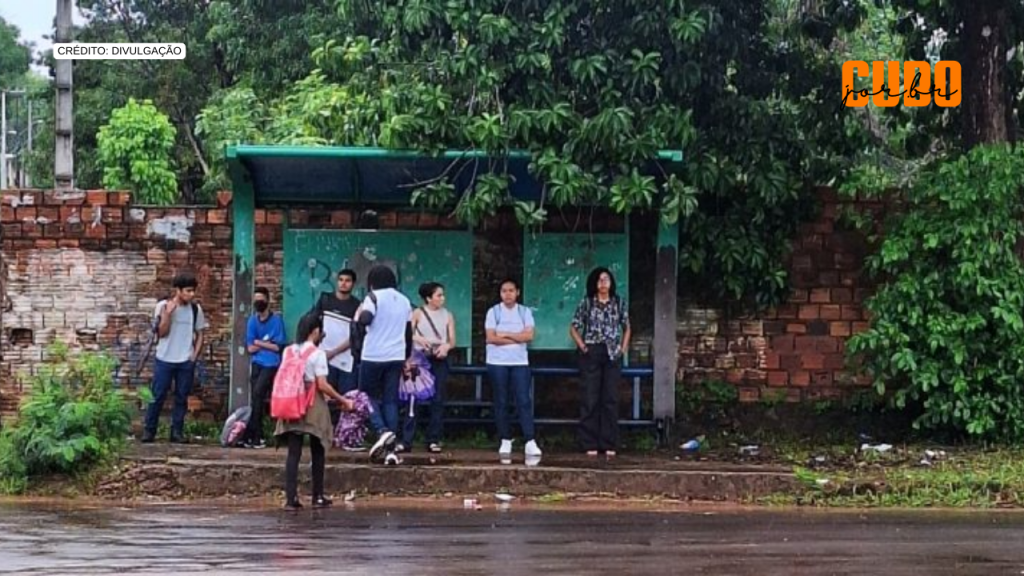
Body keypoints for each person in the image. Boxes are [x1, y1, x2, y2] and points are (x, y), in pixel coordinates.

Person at [275, 312, 355, 510]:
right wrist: (343, 400)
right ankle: (317, 496)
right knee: (318, 449)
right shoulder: (318, 354)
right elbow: (322, 385)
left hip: (291, 401)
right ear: (316, 331)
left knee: (293, 453)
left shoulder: (288, 351)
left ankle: (291, 498)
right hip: (312, 403)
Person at [569, 267, 632, 460]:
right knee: (590, 398)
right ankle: (589, 442)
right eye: (599, 280)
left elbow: (627, 327)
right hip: (592, 351)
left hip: (612, 352)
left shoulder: (619, 303)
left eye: (606, 279)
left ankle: (609, 442)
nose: (603, 283)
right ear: (594, 284)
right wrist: (583, 346)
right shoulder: (587, 303)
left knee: (610, 398)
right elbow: (574, 327)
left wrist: (622, 348)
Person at [142, 271, 209, 444]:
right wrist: (167, 314)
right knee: (157, 396)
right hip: (164, 358)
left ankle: (176, 432)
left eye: (193, 291)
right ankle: (149, 431)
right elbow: (162, 333)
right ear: (178, 290)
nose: (191, 294)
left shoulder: (195, 309)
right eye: (188, 291)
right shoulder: (163, 306)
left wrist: (194, 356)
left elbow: (200, 333)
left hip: (185, 360)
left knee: (181, 397)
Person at [485, 279, 542, 464]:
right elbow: (491, 338)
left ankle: (529, 440)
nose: (507, 294)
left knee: (524, 400)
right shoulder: (493, 312)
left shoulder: (525, 312)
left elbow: (529, 336)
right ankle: (505, 438)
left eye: (511, 290)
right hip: (497, 362)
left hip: (520, 362)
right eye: (504, 291)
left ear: (517, 292)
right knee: (501, 400)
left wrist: (506, 334)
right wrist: (517, 338)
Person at [356, 265, 413, 437]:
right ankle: (392, 438)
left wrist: (359, 315)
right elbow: (408, 332)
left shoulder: (372, 297)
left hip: (373, 354)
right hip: (396, 355)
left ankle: (381, 429)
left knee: (367, 396)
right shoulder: (404, 300)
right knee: (390, 399)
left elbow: (366, 319)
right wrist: (406, 356)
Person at [399, 281, 455, 453]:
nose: (442, 298)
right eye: (439, 295)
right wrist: (418, 339)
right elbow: (407, 334)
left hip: (439, 357)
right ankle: (406, 439)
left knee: (438, 399)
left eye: (442, 295)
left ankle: (433, 438)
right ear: (428, 298)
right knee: (413, 399)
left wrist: (446, 347)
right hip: (419, 358)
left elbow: (452, 340)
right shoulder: (417, 313)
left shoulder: (448, 315)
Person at [313, 268, 361, 425]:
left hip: (346, 360)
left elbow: (355, 336)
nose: (343, 283)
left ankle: (343, 431)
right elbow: (314, 323)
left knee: (346, 397)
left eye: (347, 281)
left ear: (353, 284)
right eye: (341, 280)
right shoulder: (325, 300)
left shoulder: (357, 306)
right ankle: (323, 430)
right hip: (324, 357)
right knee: (324, 396)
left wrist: (334, 352)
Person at [241, 287, 287, 449]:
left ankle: (253, 435)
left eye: (261, 299)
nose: (258, 303)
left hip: (271, 364)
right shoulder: (252, 321)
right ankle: (256, 435)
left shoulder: (276, 321)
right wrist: (267, 343)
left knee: (258, 393)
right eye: (256, 300)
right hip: (257, 363)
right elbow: (250, 348)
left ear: (267, 300)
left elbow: (278, 347)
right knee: (256, 397)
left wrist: (259, 342)